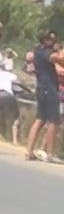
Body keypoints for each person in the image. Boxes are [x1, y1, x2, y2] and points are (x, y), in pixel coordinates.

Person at [25, 31, 64, 163]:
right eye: (51, 40)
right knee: (54, 120)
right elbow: (59, 59)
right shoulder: (47, 53)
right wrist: (60, 50)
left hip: (41, 87)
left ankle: (29, 151)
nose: (53, 42)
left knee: (40, 119)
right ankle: (50, 154)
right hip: (49, 88)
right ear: (46, 40)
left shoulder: (37, 50)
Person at [0, 66, 30, 146]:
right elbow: (18, 83)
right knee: (14, 115)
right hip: (5, 94)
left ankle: (0, 134)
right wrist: (28, 90)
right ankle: (14, 138)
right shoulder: (8, 74)